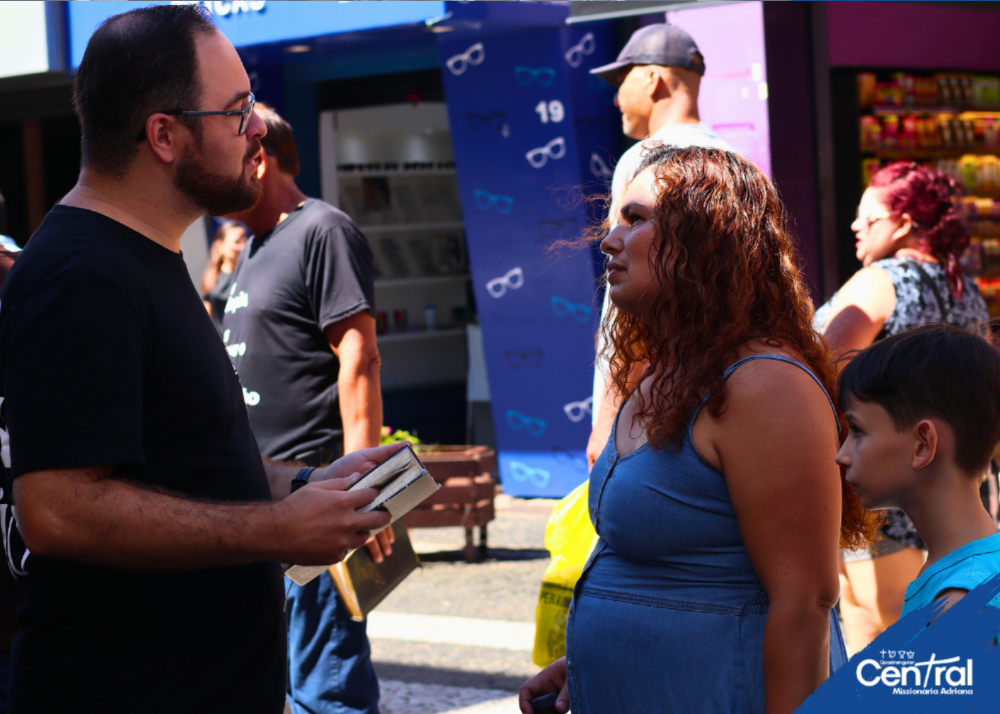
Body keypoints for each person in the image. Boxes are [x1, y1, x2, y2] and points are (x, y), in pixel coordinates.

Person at [0, 6, 400, 713]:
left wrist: (307, 481)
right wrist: (281, 528)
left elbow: (183, 462)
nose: (258, 130)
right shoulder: (81, 274)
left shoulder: (143, 257)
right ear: (163, 134)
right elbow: (58, 510)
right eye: (237, 110)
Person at [519, 145, 877, 714]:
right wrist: (585, 664)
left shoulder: (764, 384)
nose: (609, 240)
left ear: (706, 238)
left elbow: (805, 601)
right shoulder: (666, 370)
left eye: (636, 219)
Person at [223, 104, 388, 714]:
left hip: (316, 499)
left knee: (327, 689)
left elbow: (359, 358)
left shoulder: (323, 230)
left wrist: (363, 490)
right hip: (265, 501)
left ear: (258, 158)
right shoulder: (253, 245)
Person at [812, 162, 989, 650]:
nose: (855, 226)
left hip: (881, 490)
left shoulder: (880, 280)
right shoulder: (965, 288)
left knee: (879, 634)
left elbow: (824, 368)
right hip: (947, 492)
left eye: (868, 218)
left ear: (904, 223)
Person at [585, 23, 735, 469]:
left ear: (653, 79)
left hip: (649, 399)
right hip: (714, 386)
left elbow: (633, 301)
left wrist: (609, 417)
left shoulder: (646, 157)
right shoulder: (734, 161)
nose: (616, 99)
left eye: (621, 81)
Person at [836, 324, 1000, 620]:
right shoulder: (975, 571)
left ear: (922, 445)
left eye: (857, 430)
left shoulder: (955, 605)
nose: (841, 456)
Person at [202, 219, 248, 331]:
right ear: (220, 246)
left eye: (245, 240)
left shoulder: (250, 274)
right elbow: (206, 321)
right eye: (237, 242)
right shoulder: (212, 279)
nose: (243, 246)